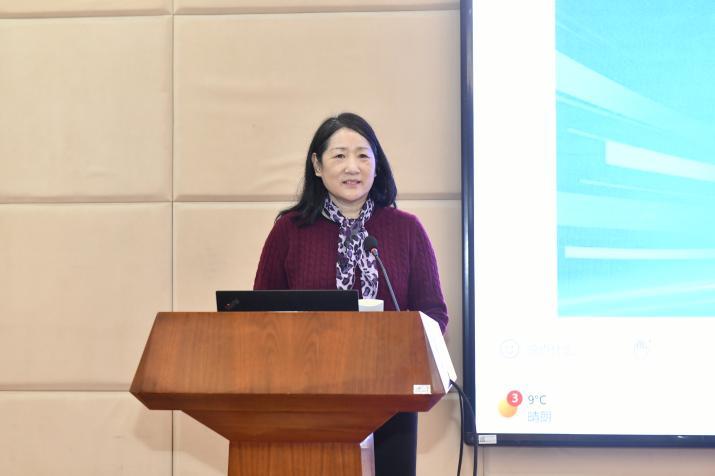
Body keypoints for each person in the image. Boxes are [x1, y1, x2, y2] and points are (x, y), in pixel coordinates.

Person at [254, 112, 448, 476]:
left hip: (391, 393)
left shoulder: (406, 229)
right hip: (309, 394)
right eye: (340, 155)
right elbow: (260, 315)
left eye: (362, 155)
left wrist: (399, 347)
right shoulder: (289, 231)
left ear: (377, 164)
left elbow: (434, 313)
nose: (352, 167)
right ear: (317, 165)